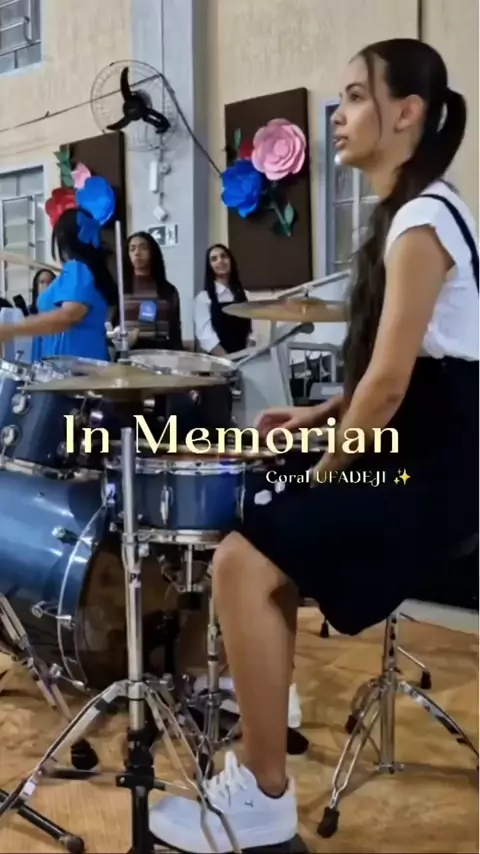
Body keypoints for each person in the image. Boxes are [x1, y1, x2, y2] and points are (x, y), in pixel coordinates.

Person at [149, 38, 479, 852]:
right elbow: (419, 369)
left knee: (242, 556)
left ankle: (262, 795)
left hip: (437, 473)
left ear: (408, 113)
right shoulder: (425, 211)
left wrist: (329, 469)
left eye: (358, 96)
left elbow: (393, 387)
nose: (341, 113)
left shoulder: (423, 221)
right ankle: (269, 701)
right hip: (428, 447)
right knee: (262, 509)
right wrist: (321, 416)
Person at [0, 208, 117, 362]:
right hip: (76, 365)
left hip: (77, 368)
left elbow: (68, 316)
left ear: (62, 238)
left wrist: (11, 330)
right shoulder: (87, 271)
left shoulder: (78, 269)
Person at [116, 231, 182, 351]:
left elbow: (175, 331)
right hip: (128, 352)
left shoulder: (168, 290)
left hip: (161, 352)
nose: (137, 253)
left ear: (152, 252)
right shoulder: (120, 289)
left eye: (143, 248)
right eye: (132, 249)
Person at [194, 243, 252, 356]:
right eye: (214, 259)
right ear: (210, 267)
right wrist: (227, 359)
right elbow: (205, 336)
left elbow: (252, 333)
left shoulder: (247, 295)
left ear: (231, 261)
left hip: (246, 359)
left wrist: (246, 356)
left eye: (224, 256)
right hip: (218, 360)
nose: (220, 260)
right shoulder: (203, 298)